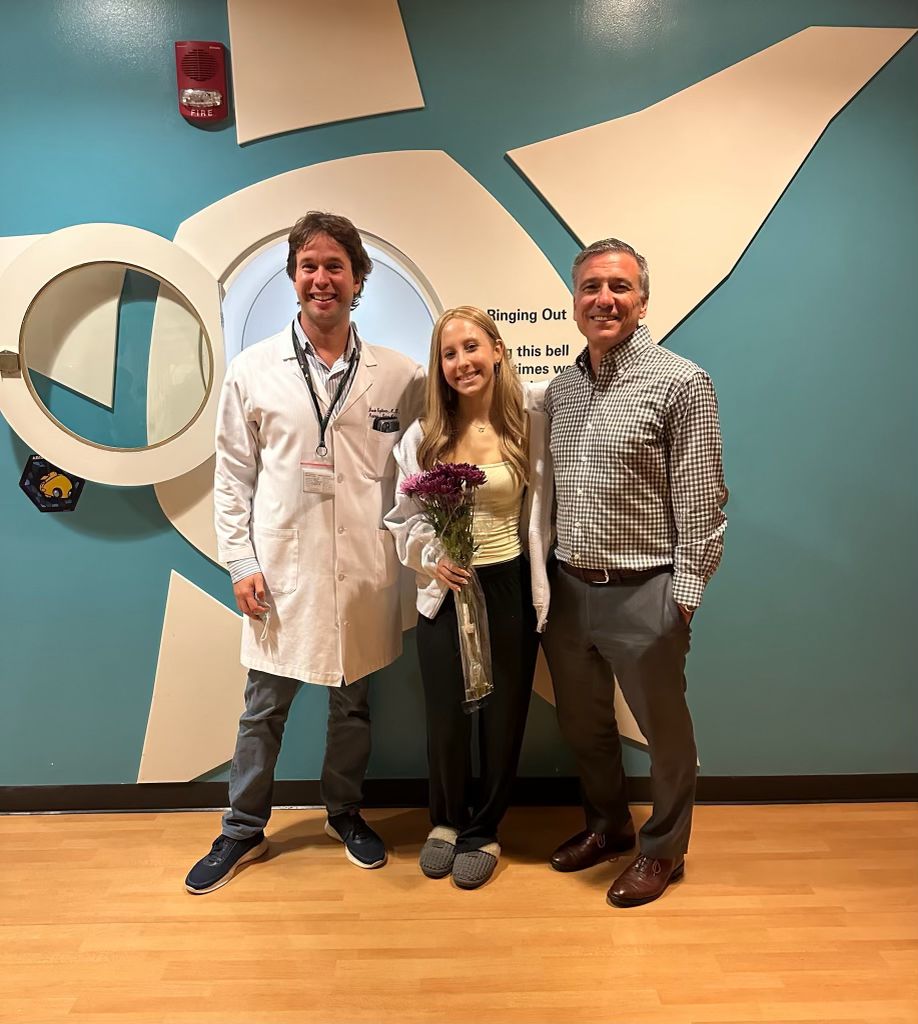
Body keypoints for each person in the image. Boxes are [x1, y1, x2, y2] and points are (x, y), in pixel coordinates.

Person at [184, 211, 424, 894]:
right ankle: (241, 829)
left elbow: (430, 451)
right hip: (280, 572)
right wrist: (240, 563)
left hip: (363, 572)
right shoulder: (252, 370)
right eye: (309, 266)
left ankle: (343, 812)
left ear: (358, 279)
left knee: (353, 707)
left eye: (335, 266)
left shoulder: (397, 374)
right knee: (264, 708)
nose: (322, 279)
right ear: (293, 277)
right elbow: (232, 476)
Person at [542, 238, 726, 907]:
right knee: (584, 727)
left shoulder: (681, 382)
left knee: (666, 734)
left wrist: (682, 598)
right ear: (575, 302)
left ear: (642, 301)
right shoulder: (561, 389)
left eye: (619, 287)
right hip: (568, 592)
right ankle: (608, 827)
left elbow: (703, 502)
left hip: (645, 591)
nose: (604, 299)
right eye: (591, 287)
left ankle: (663, 850)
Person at [385, 306, 553, 890]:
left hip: (509, 587)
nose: (462, 362)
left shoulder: (529, 427)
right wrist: (432, 556)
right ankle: (447, 821)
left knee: (503, 718)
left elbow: (544, 513)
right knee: (447, 716)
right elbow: (403, 518)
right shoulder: (424, 438)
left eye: (472, 347)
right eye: (449, 354)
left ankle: (484, 829)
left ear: (498, 350)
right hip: (446, 591)